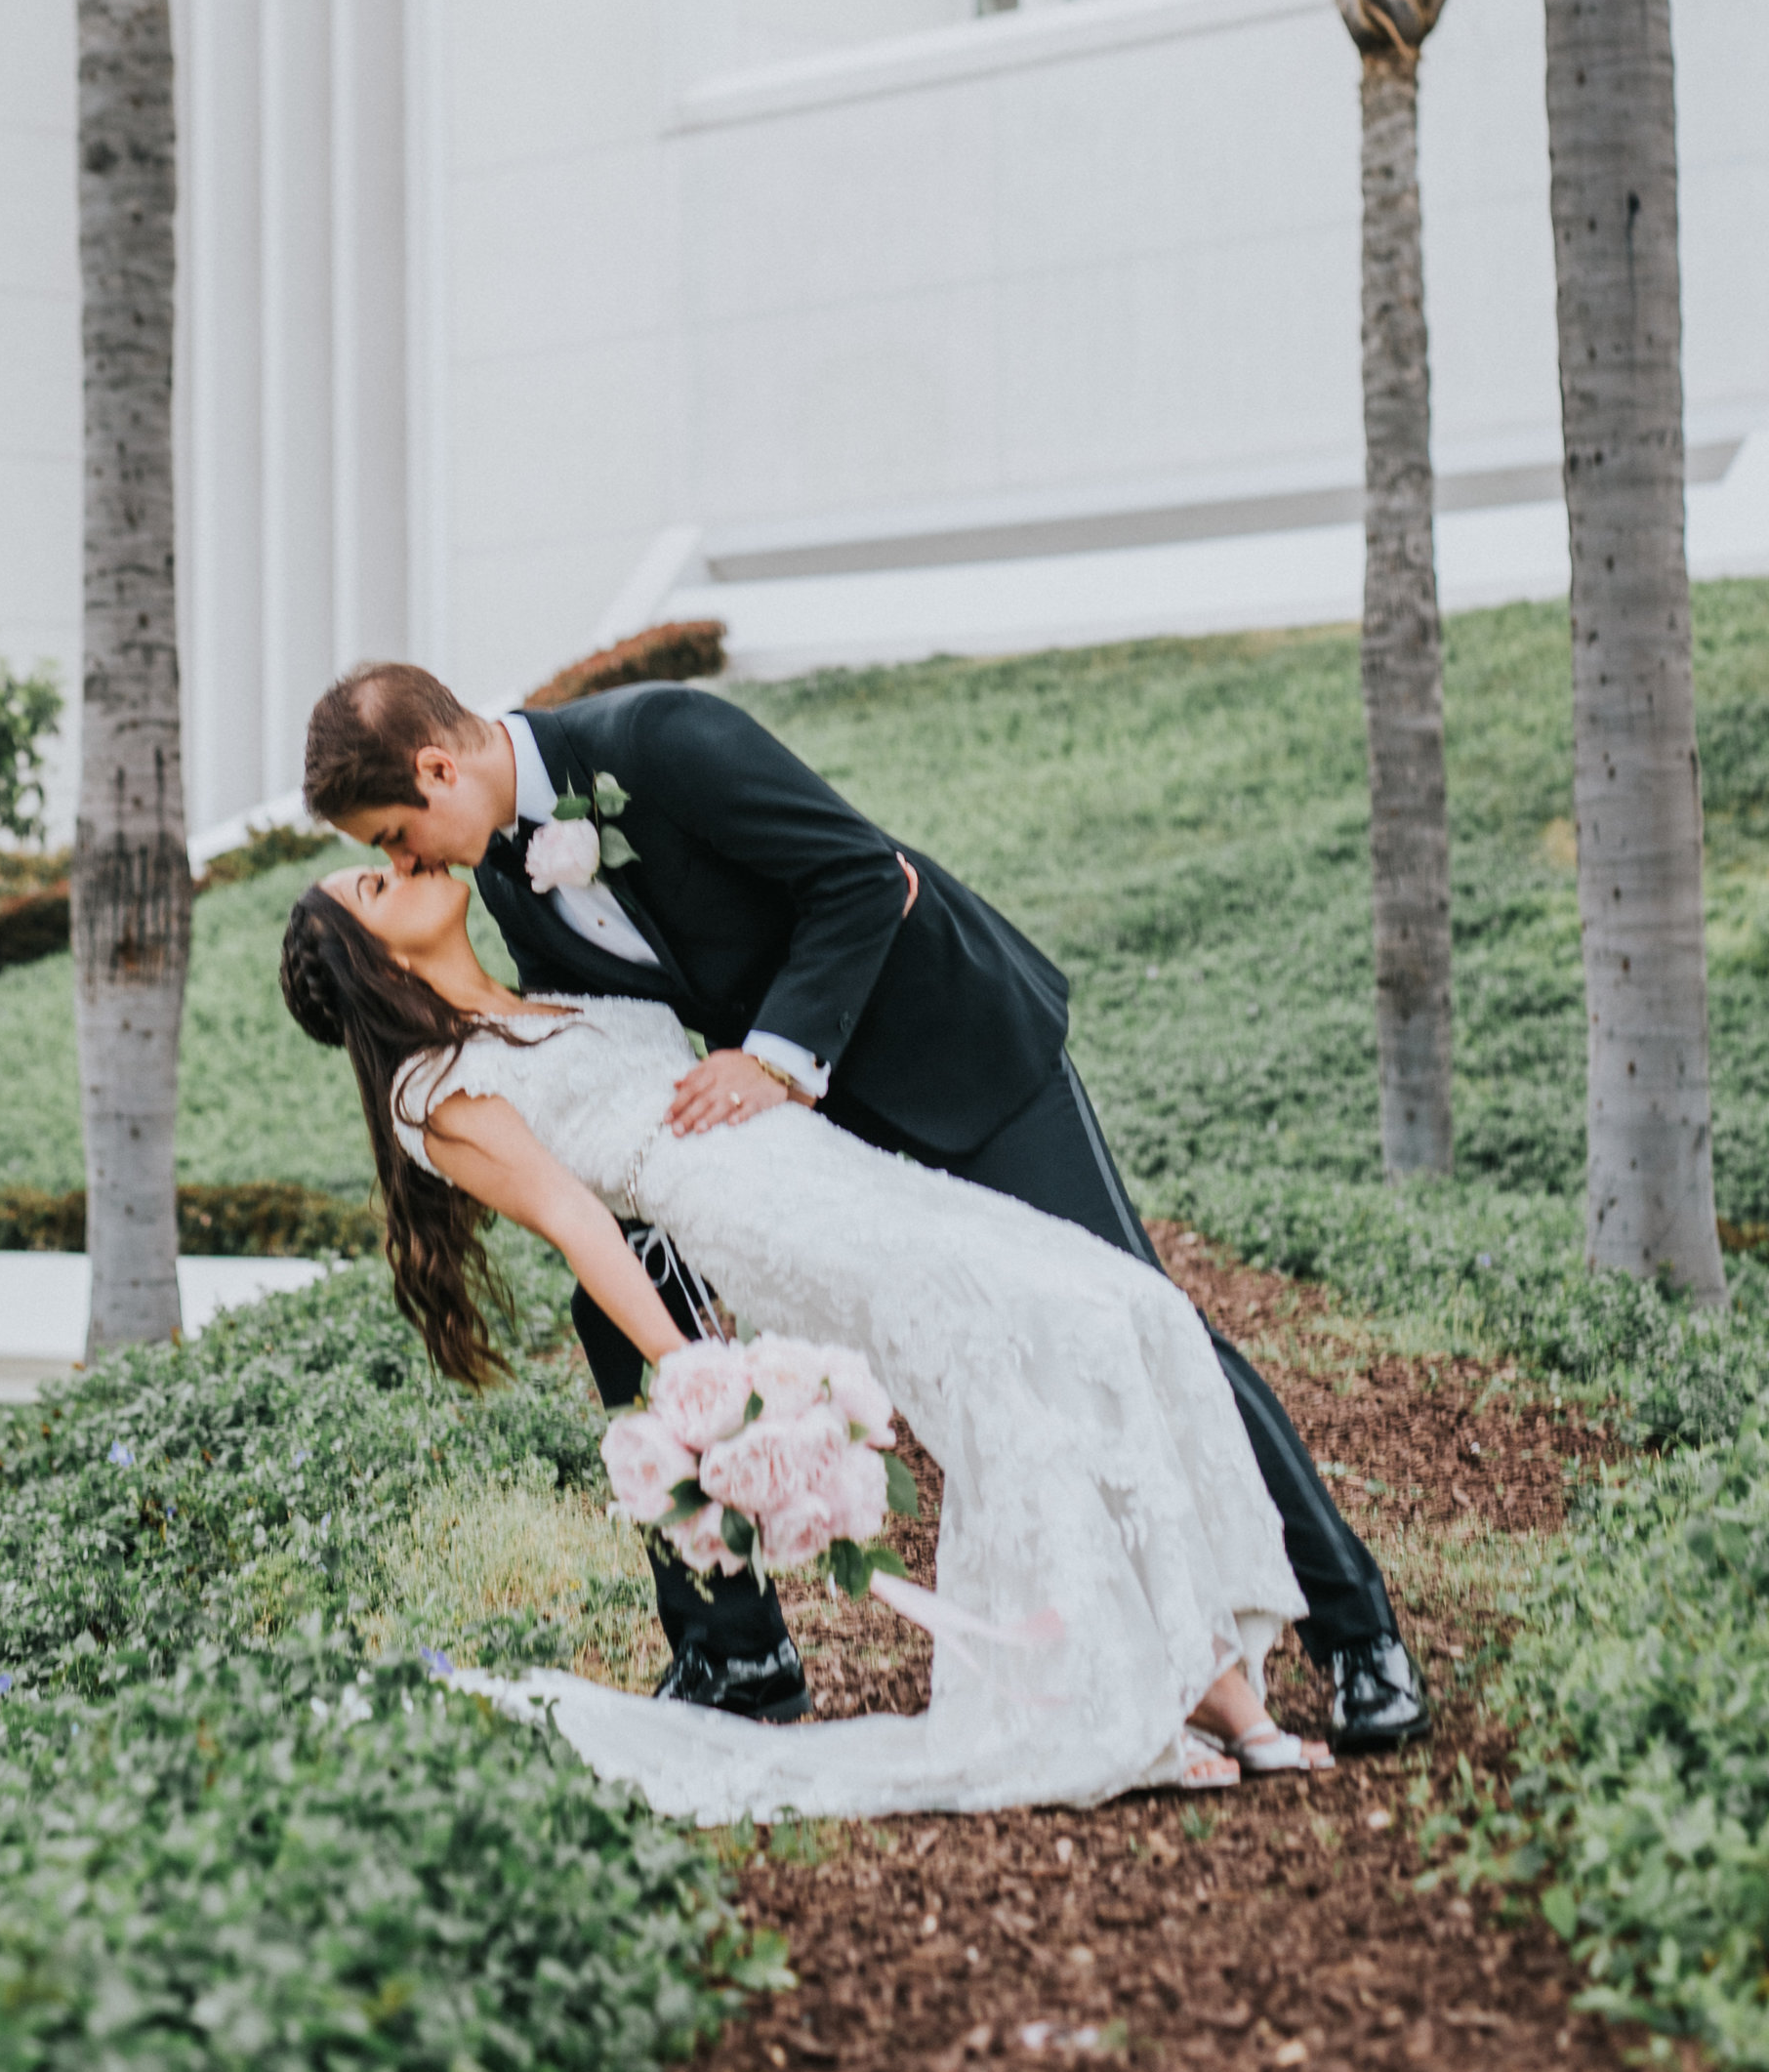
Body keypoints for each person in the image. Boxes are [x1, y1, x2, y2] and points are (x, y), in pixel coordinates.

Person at [298, 660, 1432, 1755]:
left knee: (1132, 1309)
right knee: (653, 1322)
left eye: (392, 836)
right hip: (809, 1140)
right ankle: (737, 1654)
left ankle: (1355, 1633)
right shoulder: (502, 875)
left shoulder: (656, 738)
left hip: (954, 1055)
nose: (404, 857)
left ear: (438, 769)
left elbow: (861, 874)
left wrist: (775, 1060)